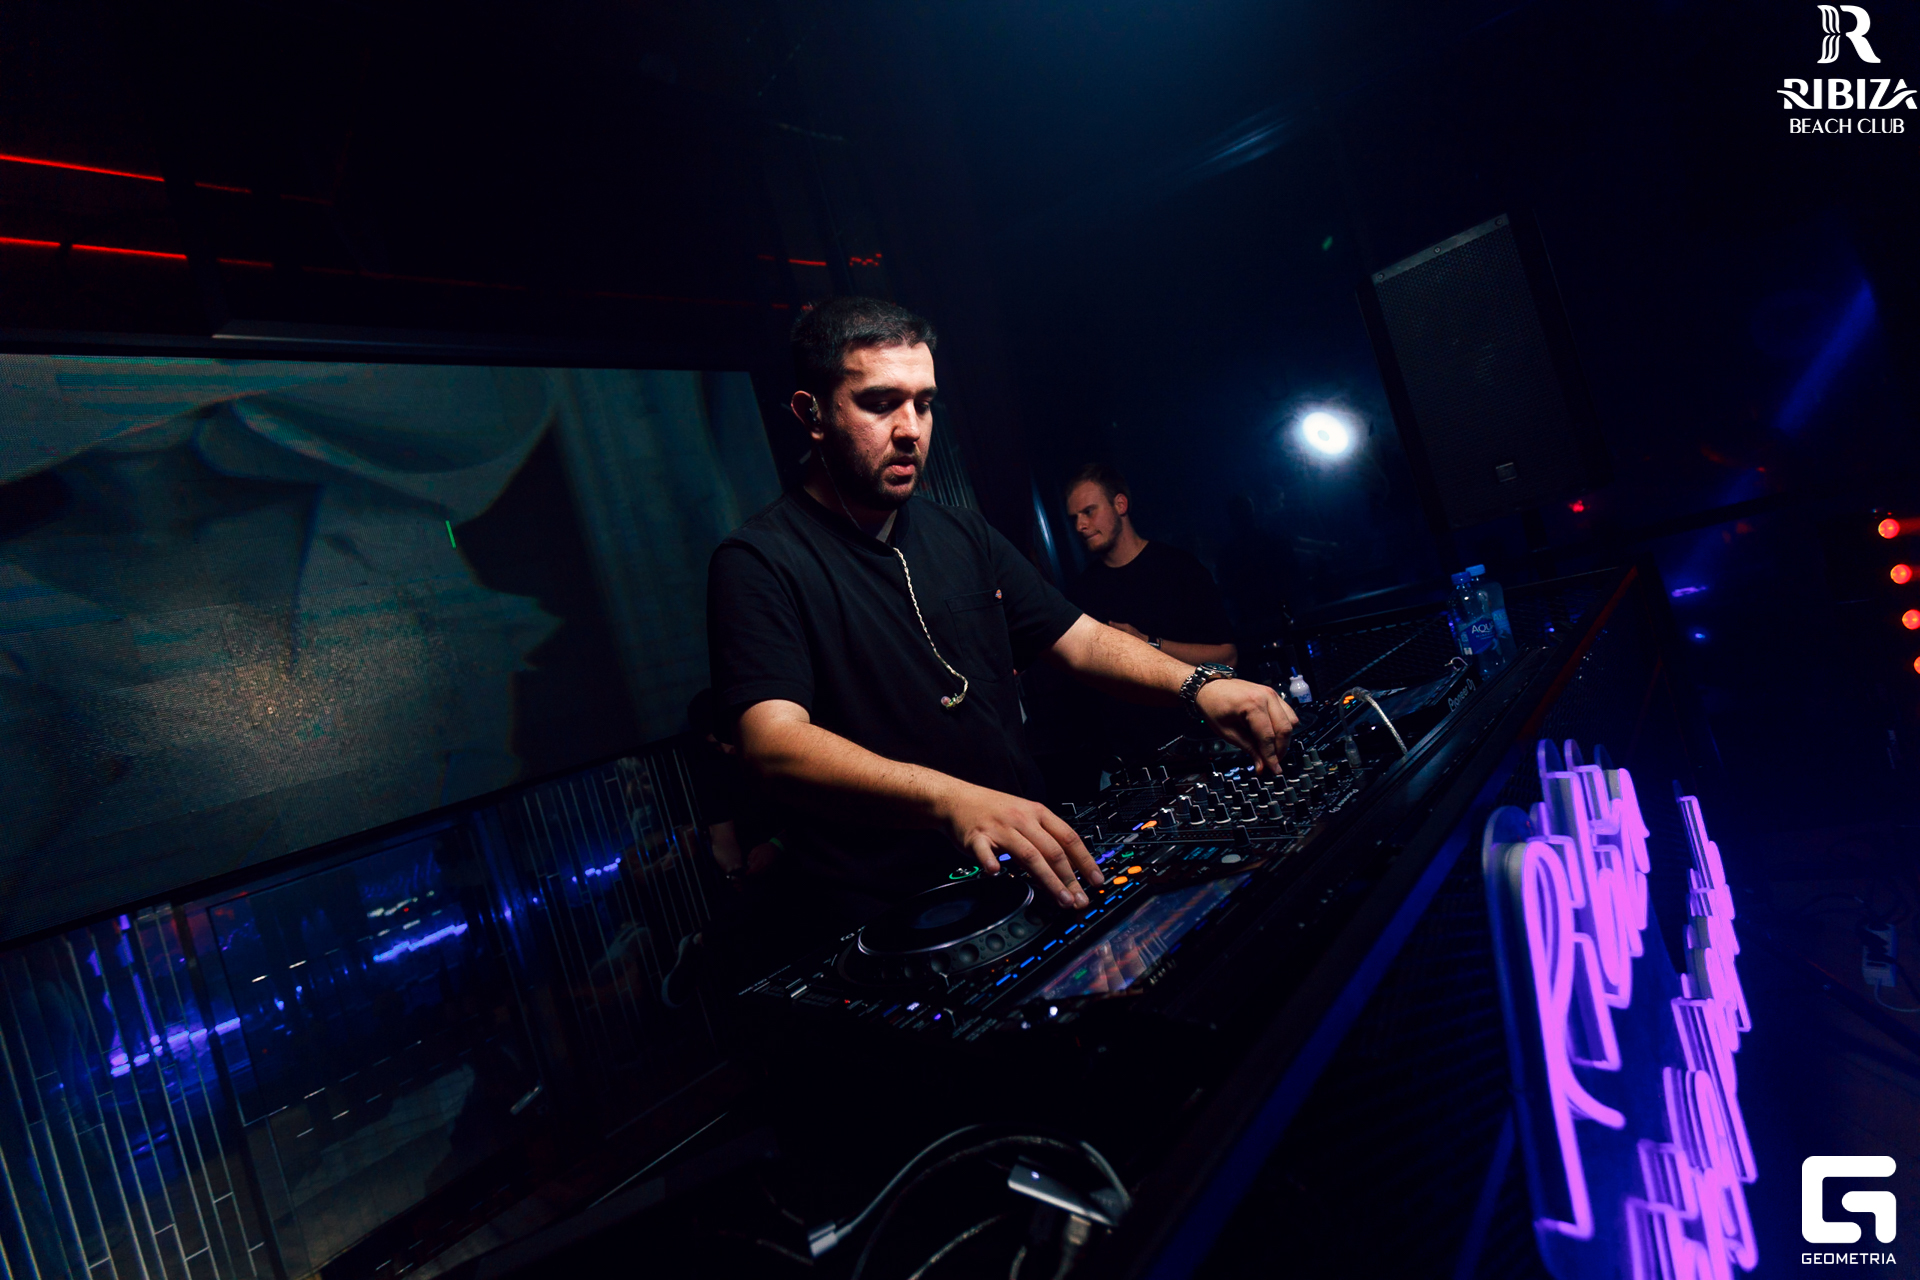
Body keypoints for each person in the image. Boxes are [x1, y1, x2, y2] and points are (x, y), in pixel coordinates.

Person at [705, 297, 1297, 958]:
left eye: (924, 404)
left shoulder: (960, 531)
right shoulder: (759, 560)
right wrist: (953, 801)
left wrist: (1199, 685)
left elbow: (1079, 638)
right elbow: (772, 741)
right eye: (880, 403)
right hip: (897, 918)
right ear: (811, 413)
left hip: (1028, 873)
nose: (910, 429)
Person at [1063, 463, 1238, 763]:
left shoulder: (1179, 569)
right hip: (1126, 759)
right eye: (1075, 518)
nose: (1080, 525)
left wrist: (1148, 644)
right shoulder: (1082, 592)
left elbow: (1228, 658)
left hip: (1195, 747)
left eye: (1089, 512)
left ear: (1120, 505)